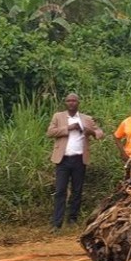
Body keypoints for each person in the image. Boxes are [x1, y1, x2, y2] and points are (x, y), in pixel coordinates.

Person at [46, 93, 104, 229]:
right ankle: (57, 223)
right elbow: (50, 132)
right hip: (63, 160)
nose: (71, 103)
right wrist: (68, 128)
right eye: (68, 101)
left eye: (74, 101)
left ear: (78, 103)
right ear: (65, 103)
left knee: (77, 191)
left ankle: (72, 220)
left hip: (79, 159)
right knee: (60, 191)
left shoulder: (86, 119)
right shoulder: (58, 116)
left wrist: (88, 130)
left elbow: (100, 134)